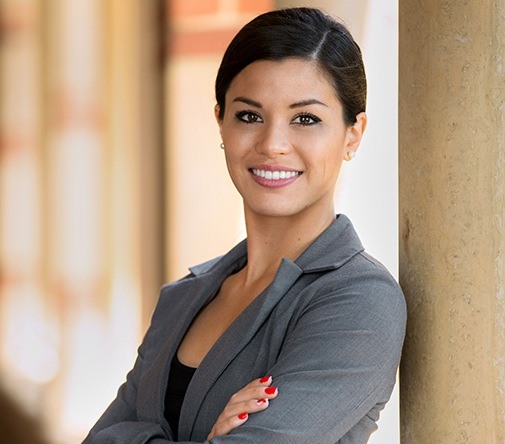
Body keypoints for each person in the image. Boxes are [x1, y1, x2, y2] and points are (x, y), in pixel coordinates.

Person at [83, 7, 406, 443]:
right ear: (221, 120)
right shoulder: (183, 297)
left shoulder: (360, 302)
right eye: (249, 116)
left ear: (353, 134)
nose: (273, 144)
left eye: (305, 119)